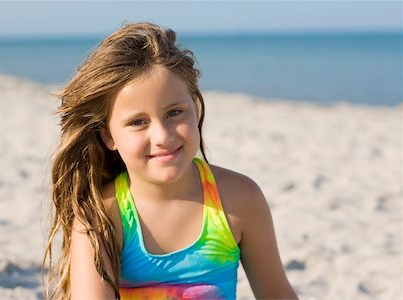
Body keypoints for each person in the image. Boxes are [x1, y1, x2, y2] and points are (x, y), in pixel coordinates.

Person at [43, 22, 298, 300]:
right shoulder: (101, 217)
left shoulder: (239, 199)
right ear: (108, 136)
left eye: (175, 112)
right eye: (138, 122)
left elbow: (277, 294)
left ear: (195, 108)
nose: (162, 136)